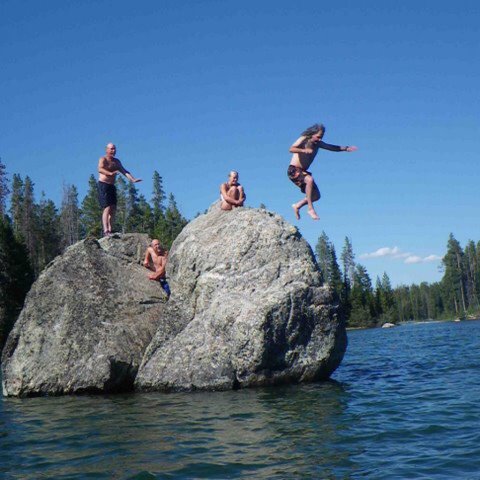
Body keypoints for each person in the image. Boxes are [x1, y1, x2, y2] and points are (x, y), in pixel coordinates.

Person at [287, 123, 357, 221]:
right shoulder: (304, 138)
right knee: (309, 180)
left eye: (321, 137)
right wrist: (304, 150)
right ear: (312, 134)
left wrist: (346, 148)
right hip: (294, 170)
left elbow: (332, 147)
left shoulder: (318, 144)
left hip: (303, 171)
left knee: (316, 196)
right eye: (318, 137)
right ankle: (310, 209)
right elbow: (291, 149)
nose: (319, 139)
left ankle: (297, 205)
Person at [97, 143, 142, 236]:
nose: (114, 151)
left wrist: (133, 179)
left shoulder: (116, 162)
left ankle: (110, 229)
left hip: (111, 186)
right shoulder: (103, 159)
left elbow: (124, 171)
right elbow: (100, 169)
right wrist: (110, 173)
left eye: (114, 149)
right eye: (111, 149)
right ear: (107, 150)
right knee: (107, 207)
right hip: (103, 185)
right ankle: (106, 230)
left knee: (113, 208)